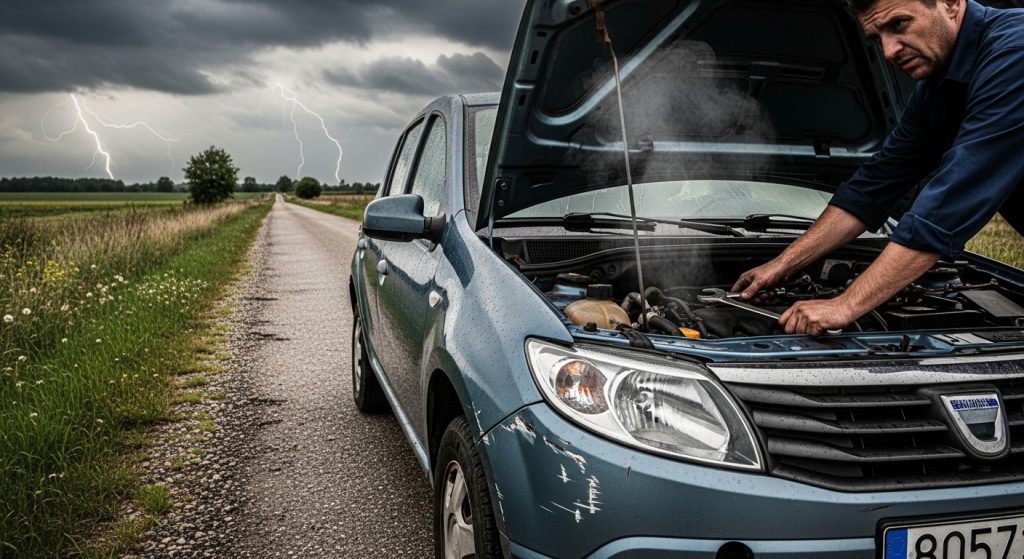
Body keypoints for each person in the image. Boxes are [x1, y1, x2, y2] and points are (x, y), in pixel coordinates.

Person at [732, 0, 1024, 336]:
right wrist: (781, 265)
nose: (888, 51)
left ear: (950, 4)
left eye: (899, 24)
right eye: (877, 37)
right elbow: (872, 187)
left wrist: (847, 304)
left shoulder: (1015, 53)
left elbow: (951, 201)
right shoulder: (935, 90)